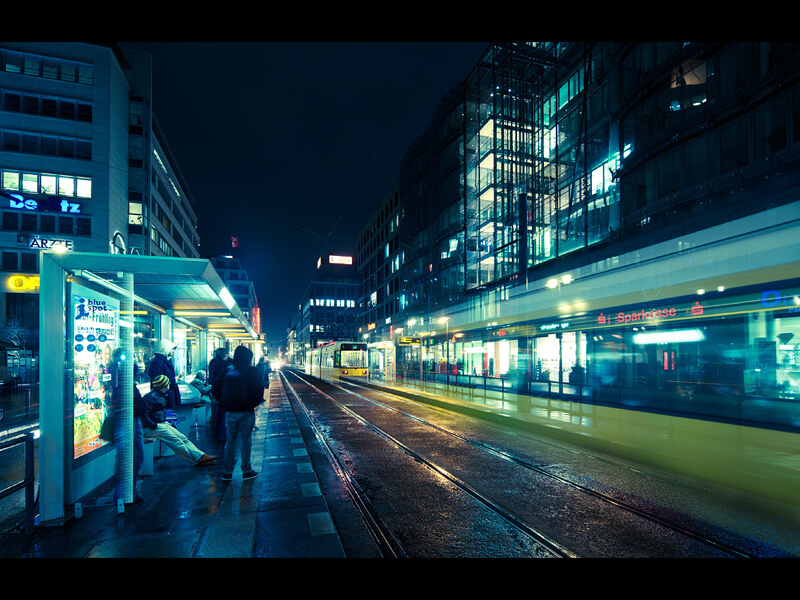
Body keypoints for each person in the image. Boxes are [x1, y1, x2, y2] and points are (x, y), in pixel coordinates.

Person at [212, 346, 264, 481]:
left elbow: (215, 389)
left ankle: (227, 472)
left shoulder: (226, 370)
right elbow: (259, 391)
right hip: (247, 411)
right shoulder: (253, 371)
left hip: (230, 412)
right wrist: (253, 404)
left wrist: (223, 402)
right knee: (246, 440)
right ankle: (246, 471)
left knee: (230, 441)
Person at [142, 374, 216, 467]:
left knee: (183, 438)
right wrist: (153, 425)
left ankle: (201, 456)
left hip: (160, 424)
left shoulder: (158, 395)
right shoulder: (151, 397)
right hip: (155, 427)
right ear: (164, 385)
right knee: (177, 443)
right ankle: (195, 461)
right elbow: (144, 415)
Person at [148, 339, 182, 410]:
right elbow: (158, 380)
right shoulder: (158, 362)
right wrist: (174, 380)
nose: (173, 351)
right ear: (166, 348)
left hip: (167, 394)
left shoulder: (166, 360)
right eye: (172, 349)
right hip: (163, 396)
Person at [208, 348, 231, 442]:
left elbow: (211, 379)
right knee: (224, 415)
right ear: (225, 355)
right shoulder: (226, 366)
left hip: (216, 392)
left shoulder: (213, 363)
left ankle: (217, 434)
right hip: (224, 393)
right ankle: (223, 436)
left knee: (217, 414)